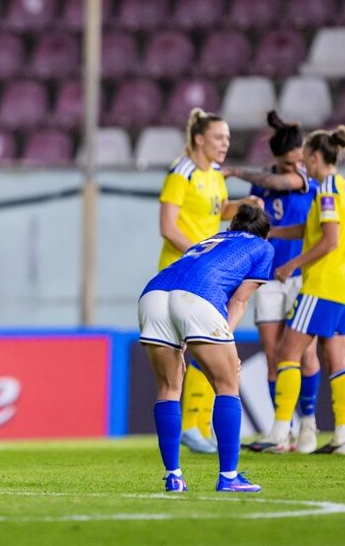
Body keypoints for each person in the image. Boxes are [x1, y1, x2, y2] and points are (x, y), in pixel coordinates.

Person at [140, 204, 274, 492]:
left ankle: (174, 476)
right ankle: (229, 477)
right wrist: (225, 339)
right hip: (197, 298)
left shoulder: (212, 239)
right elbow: (239, 301)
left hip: (153, 293)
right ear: (265, 234)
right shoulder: (262, 247)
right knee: (228, 383)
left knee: (169, 388)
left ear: (232, 227)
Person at [249, 126, 345, 455]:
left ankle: (279, 431)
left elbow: (329, 241)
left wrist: (290, 264)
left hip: (321, 285)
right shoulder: (344, 187)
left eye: (305, 158)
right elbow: (314, 230)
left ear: (314, 157)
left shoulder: (325, 191)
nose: (303, 165)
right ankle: (343, 436)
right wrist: (276, 232)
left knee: (287, 353)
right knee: (337, 361)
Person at [158, 108, 262, 454]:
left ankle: (197, 426)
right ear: (199, 138)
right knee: (188, 350)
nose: (225, 143)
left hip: (210, 276)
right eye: (219, 137)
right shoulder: (182, 172)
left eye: (228, 138)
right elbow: (168, 226)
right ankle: (190, 425)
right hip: (181, 272)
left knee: (210, 346)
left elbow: (218, 210)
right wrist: (198, 254)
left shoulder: (215, 173)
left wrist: (243, 205)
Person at [225, 111, 322, 453]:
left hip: (300, 276)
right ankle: (283, 430)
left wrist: (234, 171)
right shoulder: (262, 184)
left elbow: (281, 183)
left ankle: (309, 422)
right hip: (267, 278)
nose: (296, 166)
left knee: (305, 353)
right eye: (289, 162)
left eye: (299, 160)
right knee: (272, 355)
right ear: (277, 159)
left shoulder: (306, 178)